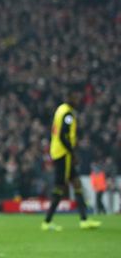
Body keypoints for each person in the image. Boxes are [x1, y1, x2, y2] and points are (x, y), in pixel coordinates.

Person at [42, 87, 101, 231]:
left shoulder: (60, 109)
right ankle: (47, 222)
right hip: (63, 154)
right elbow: (63, 135)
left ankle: (84, 220)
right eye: (75, 97)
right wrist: (72, 153)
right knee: (60, 186)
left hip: (58, 152)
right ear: (69, 97)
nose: (78, 100)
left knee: (77, 183)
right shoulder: (68, 113)